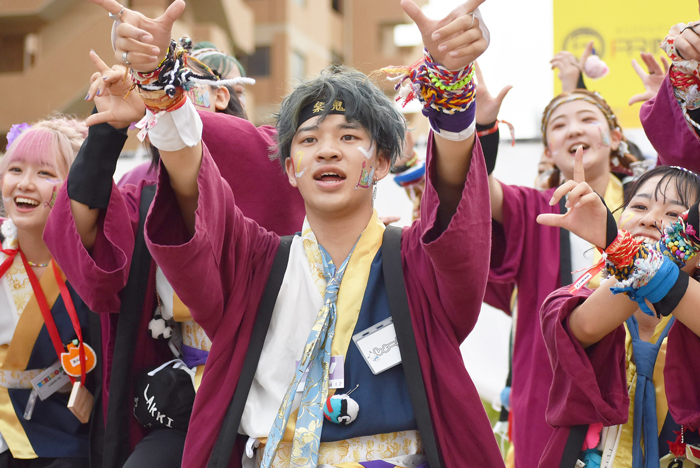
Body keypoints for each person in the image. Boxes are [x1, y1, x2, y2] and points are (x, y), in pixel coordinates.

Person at [92, 0, 505, 466]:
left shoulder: (414, 264)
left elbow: (452, 211)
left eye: (349, 137)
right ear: (290, 168)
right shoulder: (255, 265)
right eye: (308, 140)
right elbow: (192, 182)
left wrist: (450, 84)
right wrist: (157, 81)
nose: (327, 151)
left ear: (384, 162)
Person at [42, 50, 304, 468]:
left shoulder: (277, 161)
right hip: (187, 394)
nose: (158, 98)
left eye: (174, 83)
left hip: (287, 390)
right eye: (152, 88)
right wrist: (109, 131)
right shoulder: (140, 189)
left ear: (220, 96)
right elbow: (86, 244)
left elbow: (220, 144)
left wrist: (160, 95)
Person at [486, 84, 640, 466]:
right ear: (547, 150)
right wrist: (476, 126)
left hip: (636, 379)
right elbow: (473, 189)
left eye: (588, 119)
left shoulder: (646, 209)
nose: (573, 130)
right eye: (559, 125)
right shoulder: (534, 209)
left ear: (615, 137)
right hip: (548, 385)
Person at [537, 153, 700, 467]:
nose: (650, 219)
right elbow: (584, 328)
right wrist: (620, 244)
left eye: (675, 216)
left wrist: (621, 244)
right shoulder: (572, 301)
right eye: (638, 206)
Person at [0, 117, 97, 468]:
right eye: (15, 169)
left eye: (44, 174)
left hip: (61, 432)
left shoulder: (92, 262)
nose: (25, 184)